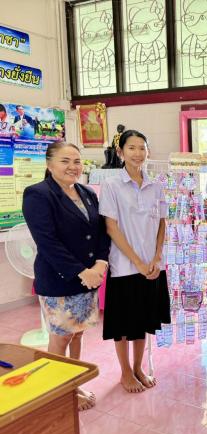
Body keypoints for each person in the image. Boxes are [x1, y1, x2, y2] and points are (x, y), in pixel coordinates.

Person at [22, 142, 110, 411]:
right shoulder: (38, 194)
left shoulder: (87, 192)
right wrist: (82, 272)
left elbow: (101, 231)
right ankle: (58, 392)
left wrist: (100, 263)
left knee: (78, 334)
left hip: (89, 278)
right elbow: (47, 242)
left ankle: (73, 383)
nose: (73, 166)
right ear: (49, 164)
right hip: (60, 279)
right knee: (60, 337)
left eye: (77, 161)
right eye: (65, 161)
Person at [99, 129, 170, 393]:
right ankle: (125, 372)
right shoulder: (112, 185)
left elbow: (161, 223)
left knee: (143, 322)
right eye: (131, 148)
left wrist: (156, 258)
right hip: (124, 267)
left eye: (142, 147)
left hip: (151, 267)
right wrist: (138, 262)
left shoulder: (156, 186)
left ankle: (139, 367)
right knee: (123, 325)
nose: (137, 153)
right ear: (120, 152)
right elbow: (111, 227)